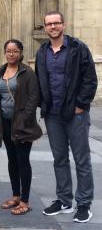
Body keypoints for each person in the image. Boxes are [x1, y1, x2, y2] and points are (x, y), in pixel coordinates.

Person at [35, 11, 97, 223]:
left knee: (82, 159)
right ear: (44, 27)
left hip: (75, 113)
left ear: (63, 24)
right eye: (49, 24)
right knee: (59, 159)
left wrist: (81, 105)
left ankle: (84, 203)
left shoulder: (78, 48)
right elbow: (40, 80)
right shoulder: (42, 51)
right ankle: (63, 200)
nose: (53, 27)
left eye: (56, 23)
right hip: (52, 114)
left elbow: (90, 79)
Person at [0, 39, 41, 215]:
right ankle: (15, 195)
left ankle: (25, 201)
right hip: (5, 124)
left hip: (22, 124)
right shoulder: (0, 71)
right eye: (8, 51)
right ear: (5, 52)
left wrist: (22, 119)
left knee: (22, 161)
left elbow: (33, 97)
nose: (11, 54)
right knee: (12, 160)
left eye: (15, 51)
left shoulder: (27, 73)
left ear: (20, 53)